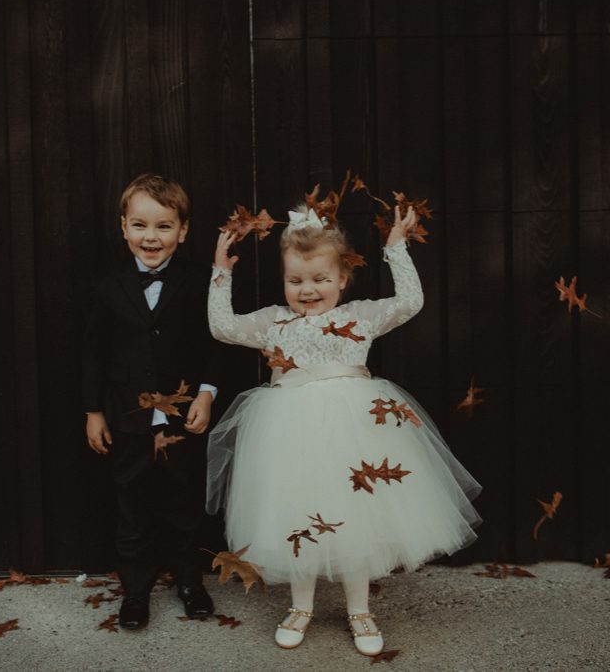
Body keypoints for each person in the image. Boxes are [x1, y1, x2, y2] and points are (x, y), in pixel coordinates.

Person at [206, 204, 482, 655]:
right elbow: (222, 328)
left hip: (355, 430)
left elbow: (411, 303)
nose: (307, 290)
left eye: (319, 279)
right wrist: (221, 274)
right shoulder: (274, 322)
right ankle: (300, 606)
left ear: (342, 278)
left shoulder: (360, 317)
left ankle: (360, 610)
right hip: (289, 435)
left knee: (356, 519)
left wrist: (396, 249)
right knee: (297, 516)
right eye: (295, 281)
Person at [82, 173, 220, 630]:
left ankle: (189, 581)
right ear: (123, 227)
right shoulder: (107, 286)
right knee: (133, 505)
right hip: (127, 416)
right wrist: (94, 411)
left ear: (183, 230)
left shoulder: (201, 282)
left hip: (183, 416)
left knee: (183, 502)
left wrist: (206, 392)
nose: (151, 237)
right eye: (140, 225)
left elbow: (215, 344)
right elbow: (93, 353)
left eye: (163, 226)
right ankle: (136, 591)